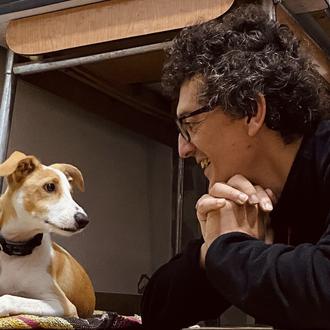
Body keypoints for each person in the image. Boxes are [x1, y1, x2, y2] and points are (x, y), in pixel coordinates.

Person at [141, 3, 330, 330]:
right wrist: (208, 253)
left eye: (190, 124)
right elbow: (156, 308)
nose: (183, 149)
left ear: (251, 111)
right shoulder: (253, 198)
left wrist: (228, 250)